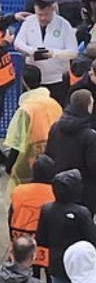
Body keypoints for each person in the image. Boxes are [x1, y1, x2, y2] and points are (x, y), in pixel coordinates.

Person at [44, 89, 96, 238]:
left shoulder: (55, 127)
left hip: (60, 185)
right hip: (84, 190)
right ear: (88, 107)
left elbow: (49, 154)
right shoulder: (90, 136)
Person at [3, 65, 62, 200]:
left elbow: (17, 142)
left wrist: (10, 165)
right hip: (53, 159)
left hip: (29, 163)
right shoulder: (54, 103)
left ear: (24, 83)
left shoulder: (26, 109)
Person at [13, 0, 77, 106]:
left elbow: (73, 52)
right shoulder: (29, 22)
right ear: (35, 10)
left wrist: (53, 53)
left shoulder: (64, 24)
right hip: (33, 80)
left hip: (56, 80)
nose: (43, 18)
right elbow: (18, 43)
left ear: (53, 10)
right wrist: (31, 51)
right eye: (40, 15)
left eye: (46, 14)